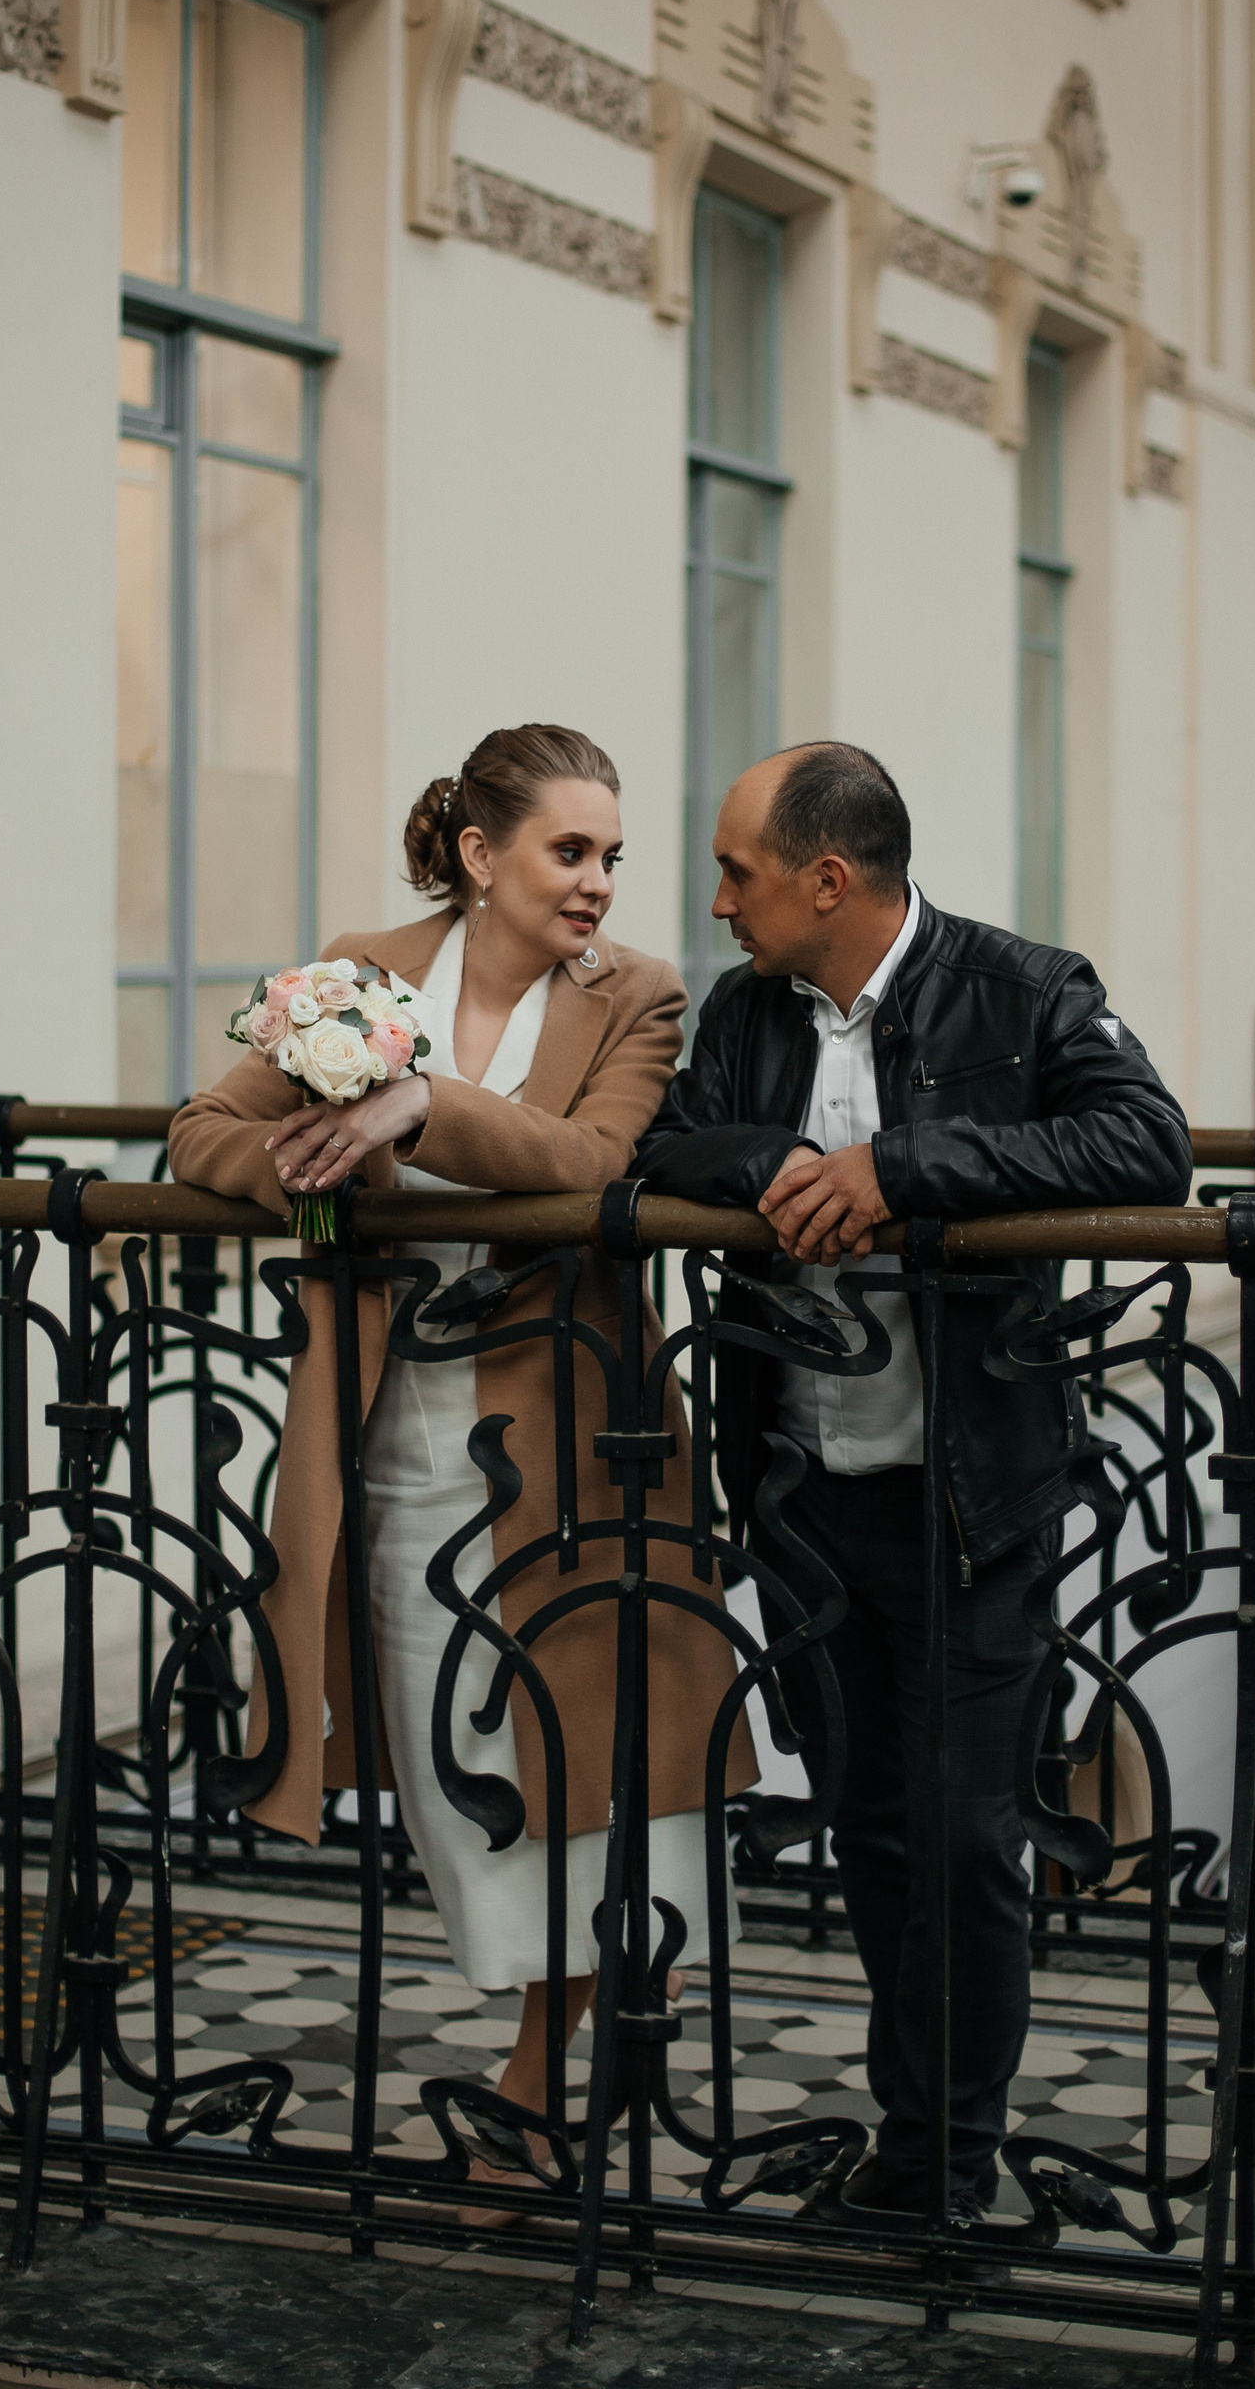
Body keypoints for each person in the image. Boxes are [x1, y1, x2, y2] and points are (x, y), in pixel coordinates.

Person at [170, 723, 754, 2215]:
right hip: (388, 1428)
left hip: (577, 1432)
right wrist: (308, 1163)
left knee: (588, 1761)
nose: (598, 881)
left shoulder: (639, 997)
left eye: (611, 855)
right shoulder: (356, 974)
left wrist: (421, 1105)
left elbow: (595, 1160)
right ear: (483, 856)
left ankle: (539, 2078)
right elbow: (199, 1132)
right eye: (570, 850)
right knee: (457, 1763)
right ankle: (591, 2003)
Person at [629, 740, 1192, 2231]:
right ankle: (914, 2140)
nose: (719, 900)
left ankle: (944, 2166)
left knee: (963, 1842)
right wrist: (774, 1166)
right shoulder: (747, 1013)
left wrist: (900, 1171)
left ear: (828, 879)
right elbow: (663, 1142)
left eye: (738, 871)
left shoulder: (1027, 990)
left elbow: (1149, 1145)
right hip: (804, 1499)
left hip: (972, 1503)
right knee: (875, 1830)